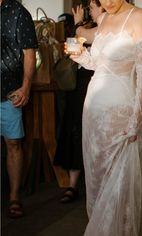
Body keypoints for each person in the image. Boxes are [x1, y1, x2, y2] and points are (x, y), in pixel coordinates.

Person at [69, 0, 142, 234]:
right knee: (95, 178)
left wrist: (137, 117)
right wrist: (79, 55)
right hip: (92, 111)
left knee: (117, 184)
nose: (107, 2)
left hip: (119, 112)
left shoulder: (139, 17)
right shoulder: (103, 18)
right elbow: (98, 64)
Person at [53, 0, 104, 203]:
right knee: (74, 129)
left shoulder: (104, 28)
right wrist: (77, 25)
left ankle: (97, 185)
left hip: (97, 84)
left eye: (92, 6)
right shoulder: (86, 27)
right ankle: (72, 186)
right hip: (79, 85)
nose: (89, 10)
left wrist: (77, 25)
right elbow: (73, 50)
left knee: (95, 134)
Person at [0, 0, 38, 218]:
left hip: (8, 91)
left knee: (13, 143)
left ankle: (14, 197)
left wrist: (26, 87)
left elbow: (29, 53)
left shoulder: (18, 13)